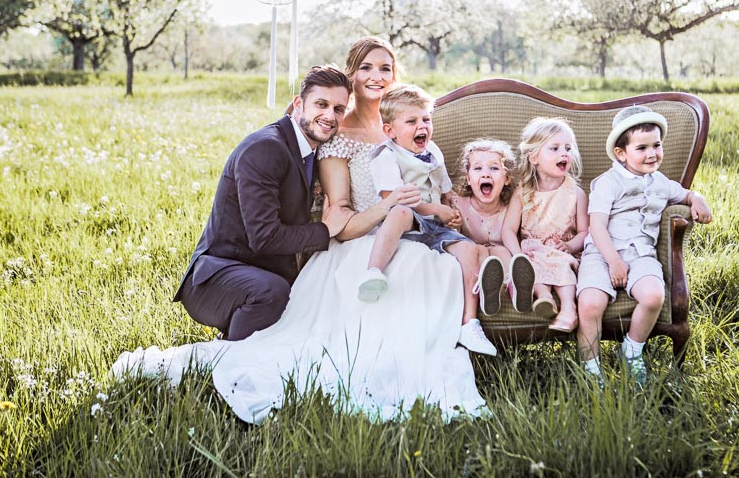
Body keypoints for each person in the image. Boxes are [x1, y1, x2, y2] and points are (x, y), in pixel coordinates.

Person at [113, 37, 485, 423]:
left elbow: (436, 179)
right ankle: (232, 362)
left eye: (385, 69)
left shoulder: (406, 121)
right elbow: (336, 219)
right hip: (347, 241)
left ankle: (442, 338)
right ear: (349, 76)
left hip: (410, 231)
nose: (376, 77)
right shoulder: (323, 139)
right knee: (360, 289)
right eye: (366, 69)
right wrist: (371, 213)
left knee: (435, 266)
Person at [173, 65, 354, 340]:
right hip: (217, 279)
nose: (330, 115)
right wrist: (326, 230)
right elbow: (264, 238)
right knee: (272, 292)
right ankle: (232, 359)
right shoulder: (265, 148)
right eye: (321, 104)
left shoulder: (309, 149)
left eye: (338, 109)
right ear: (298, 104)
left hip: (261, 271)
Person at [576, 105, 713, 386]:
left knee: (653, 296)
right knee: (590, 304)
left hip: (642, 255)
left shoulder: (660, 182)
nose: (652, 153)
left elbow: (685, 194)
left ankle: (632, 349)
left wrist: (697, 199)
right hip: (602, 253)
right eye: (642, 148)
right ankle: (591, 368)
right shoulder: (607, 183)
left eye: (657, 145)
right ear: (621, 153)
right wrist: (613, 261)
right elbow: (596, 226)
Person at [357, 85, 496, 356]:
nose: (422, 126)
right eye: (412, 121)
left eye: (426, 120)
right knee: (401, 211)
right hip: (404, 220)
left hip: (434, 225)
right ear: (390, 130)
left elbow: (446, 192)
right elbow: (392, 198)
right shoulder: (385, 155)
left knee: (469, 249)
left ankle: (469, 322)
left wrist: (452, 213)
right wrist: (435, 209)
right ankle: (374, 271)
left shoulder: (432, 151)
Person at [503, 117, 588, 333]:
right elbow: (508, 230)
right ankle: (544, 298)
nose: (564, 153)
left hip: (561, 250)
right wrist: (517, 255)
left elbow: (584, 232)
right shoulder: (522, 192)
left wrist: (570, 247)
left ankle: (569, 310)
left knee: (561, 264)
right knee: (532, 266)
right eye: (555, 148)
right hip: (532, 251)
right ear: (534, 157)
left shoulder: (575, 193)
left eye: (568, 148)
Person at [451, 138, 535, 316]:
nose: (486, 174)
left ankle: (517, 289)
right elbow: (453, 240)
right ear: (468, 178)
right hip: (474, 260)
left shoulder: (510, 206)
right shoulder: (458, 204)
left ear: (507, 178)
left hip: (502, 257)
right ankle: (488, 290)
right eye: (478, 168)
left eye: (494, 168)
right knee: (480, 251)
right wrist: (455, 225)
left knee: (501, 252)